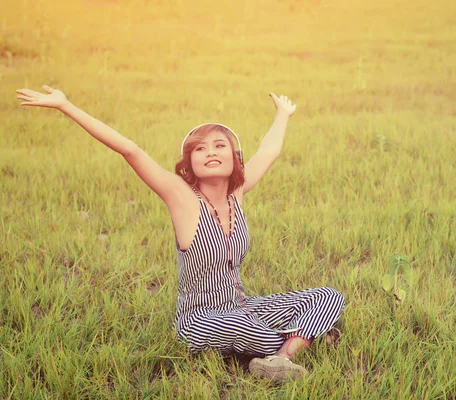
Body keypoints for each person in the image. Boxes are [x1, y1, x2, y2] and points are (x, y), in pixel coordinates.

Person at [15, 85, 345, 382]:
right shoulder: (182, 198)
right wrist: (66, 106)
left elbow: (269, 150)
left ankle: (282, 355)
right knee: (244, 327)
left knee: (328, 296)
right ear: (189, 163)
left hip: (243, 305)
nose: (211, 152)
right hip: (200, 320)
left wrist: (282, 115)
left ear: (234, 158)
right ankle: (302, 340)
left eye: (219, 146)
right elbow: (130, 150)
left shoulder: (237, 194)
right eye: (200, 149)